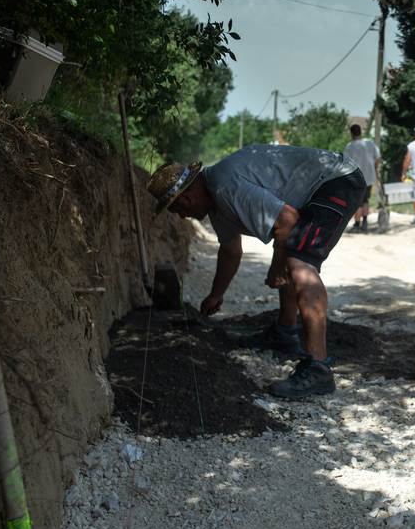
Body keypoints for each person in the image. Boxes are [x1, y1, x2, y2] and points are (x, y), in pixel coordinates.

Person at [146, 145, 366, 398]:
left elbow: (287, 220)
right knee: (288, 250)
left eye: (177, 211)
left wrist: (276, 267)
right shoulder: (217, 206)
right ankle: (285, 333)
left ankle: (319, 368)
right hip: (321, 185)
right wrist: (216, 295)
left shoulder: (225, 188)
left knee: (298, 260)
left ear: (185, 198)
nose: (182, 217)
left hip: (336, 180)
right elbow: (230, 251)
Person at [343, 124, 381, 233]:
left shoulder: (350, 146)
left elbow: (346, 163)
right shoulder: (369, 143)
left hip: (356, 178)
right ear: (360, 132)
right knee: (365, 200)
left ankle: (357, 224)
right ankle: (365, 222)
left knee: (357, 201)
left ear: (352, 134)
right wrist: (375, 167)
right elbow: (378, 158)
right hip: (368, 176)